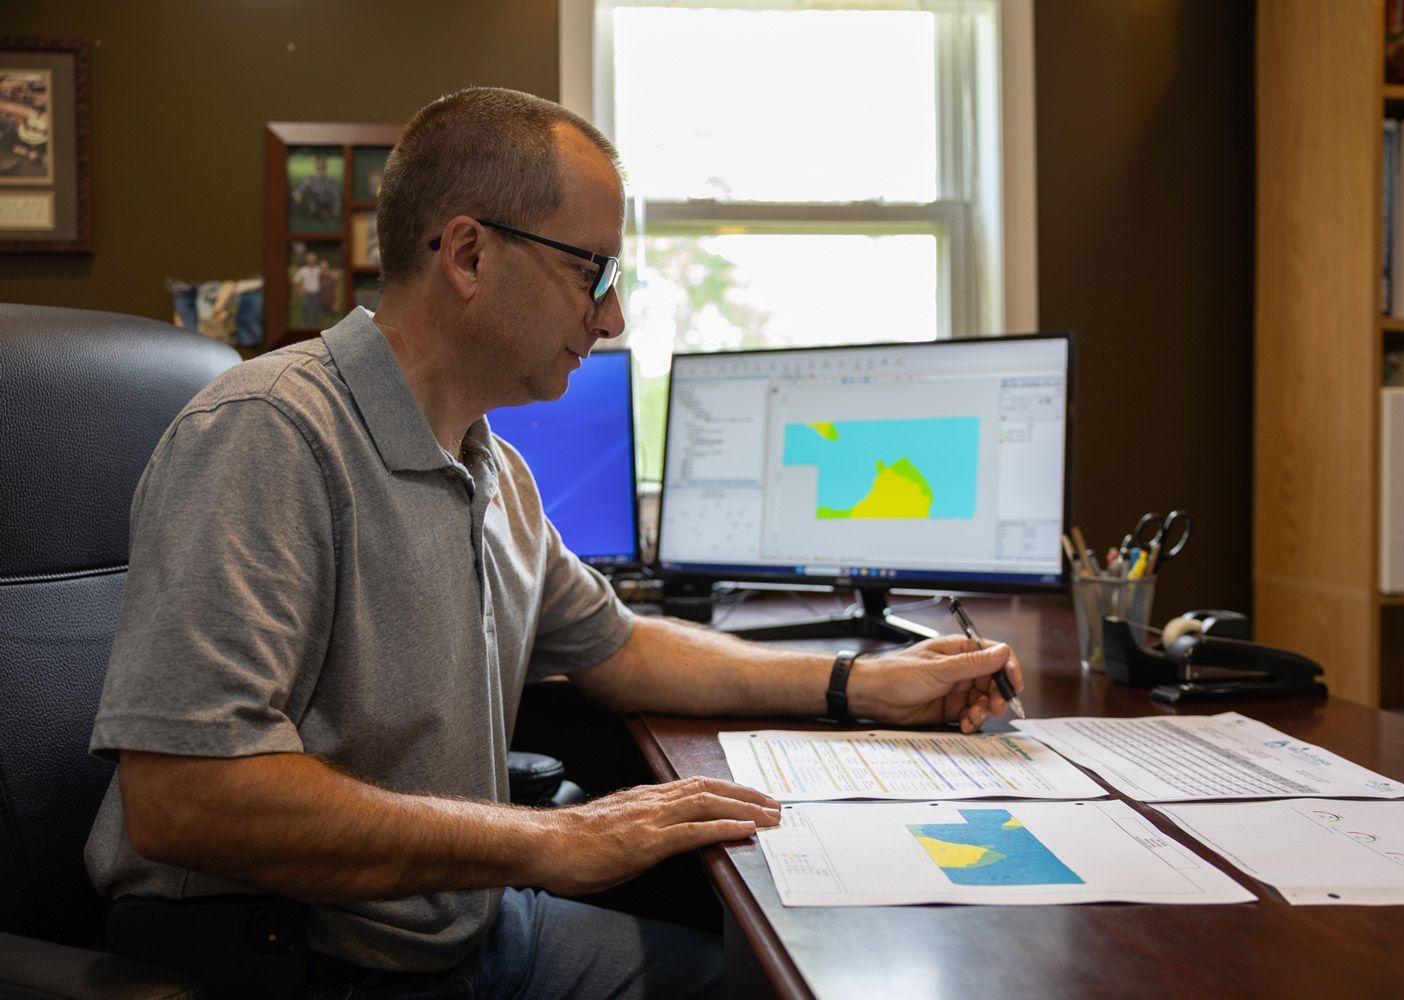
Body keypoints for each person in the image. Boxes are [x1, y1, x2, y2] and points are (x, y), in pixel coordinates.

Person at [85, 86, 1023, 998]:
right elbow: (185, 797)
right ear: (468, 254)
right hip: (307, 961)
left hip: (464, 928)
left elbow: (621, 649)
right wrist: (547, 842)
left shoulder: (495, 470)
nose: (611, 317)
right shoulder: (269, 435)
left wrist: (859, 683)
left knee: (775, 981)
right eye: (592, 271)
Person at [291, 249, 321, 328]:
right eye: (309, 259)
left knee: (316, 309)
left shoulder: (319, 269)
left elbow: (328, 275)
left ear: (315, 259)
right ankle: (306, 324)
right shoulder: (303, 270)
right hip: (306, 294)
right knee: (306, 309)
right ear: (307, 260)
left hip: (317, 293)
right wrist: (300, 291)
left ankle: (316, 325)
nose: (311, 260)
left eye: (313, 259)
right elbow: (295, 281)